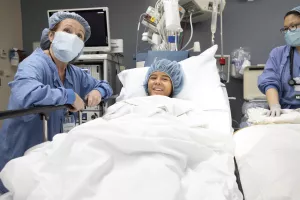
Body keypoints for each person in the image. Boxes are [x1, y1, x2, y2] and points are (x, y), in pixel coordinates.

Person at [0, 11, 113, 193]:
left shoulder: (74, 73)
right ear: (51, 36)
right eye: (67, 31)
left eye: (79, 36)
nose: (73, 38)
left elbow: (105, 85)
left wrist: (98, 91)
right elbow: (26, 93)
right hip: (19, 153)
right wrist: (68, 96)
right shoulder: (33, 64)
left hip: (49, 155)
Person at [258, 6, 300, 117]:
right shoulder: (278, 54)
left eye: (293, 26)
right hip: (284, 112)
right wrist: (275, 106)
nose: (288, 31)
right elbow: (269, 81)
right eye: (286, 28)